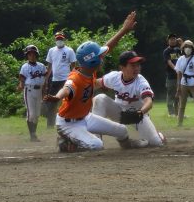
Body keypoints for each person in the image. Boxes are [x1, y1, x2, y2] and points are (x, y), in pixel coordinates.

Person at [42, 11, 144, 151]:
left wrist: (124, 30)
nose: (102, 58)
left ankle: (128, 146)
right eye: (99, 57)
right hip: (68, 124)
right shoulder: (75, 78)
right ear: (92, 61)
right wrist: (57, 97)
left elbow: (109, 46)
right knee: (96, 145)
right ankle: (65, 143)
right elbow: (67, 89)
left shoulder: (90, 70)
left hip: (85, 117)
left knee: (122, 130)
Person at [91, 50, 165, 147]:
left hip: (138, 115)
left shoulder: (141, 82)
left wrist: (140, 112)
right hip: (119, 112)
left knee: (155, 143)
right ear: (122, 67)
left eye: (138, 65)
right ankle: (96, 140)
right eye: (133, 65)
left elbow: (149, 102)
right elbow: (95, 84)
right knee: (100, 98)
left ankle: (158, 136)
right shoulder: (114, 77)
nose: (137, 68)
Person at [43, 30, 76, 128]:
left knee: (68, 102)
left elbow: (73, 67)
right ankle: (50, 125)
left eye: (61, 39)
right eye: (57, 39)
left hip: (66, 80)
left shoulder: (69, 50)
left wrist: (74, 79)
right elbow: (49, 66)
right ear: (55, 40)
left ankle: (68, 122)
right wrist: (46, 79)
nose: (59, 40)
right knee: (51, 102)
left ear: (64, 39)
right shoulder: (51, 51)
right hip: (55, 80)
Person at [17, 44, 48, 141]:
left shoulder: (41, 66)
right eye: (30, 54)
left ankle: (34, 134)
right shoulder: (25, 67)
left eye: (34, 54)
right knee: (31, 114)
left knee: (37, 114)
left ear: (36, 55)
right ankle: (32, 135)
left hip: (39, 91)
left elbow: (45, 80)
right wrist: (20, 86)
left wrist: (44, 92)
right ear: (27, 55)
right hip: (29, 90)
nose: (32, 56)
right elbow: (22, 79)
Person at [174, 39, 194, 127]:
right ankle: (179, 123)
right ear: (183, 48)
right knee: (182, 105)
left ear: (192, 48)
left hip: (193, 83)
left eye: (189, 47)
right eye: (186, 47)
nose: (187, 48)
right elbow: (179, 73)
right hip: (183, 83)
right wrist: (178, 87)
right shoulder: (180, 59)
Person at [163, 33, 182, 116]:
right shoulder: (166, 51)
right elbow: (169, 62)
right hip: (171, 76)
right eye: (171, 39)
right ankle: (171, 113)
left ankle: (179, 113)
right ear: (168, 41)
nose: (173, 40)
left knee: (179, 95)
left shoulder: (178, 50)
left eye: (174, 39)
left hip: (179, 77)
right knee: (171, 94)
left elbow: (186, 53)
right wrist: (176, 69)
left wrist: (182, 43)